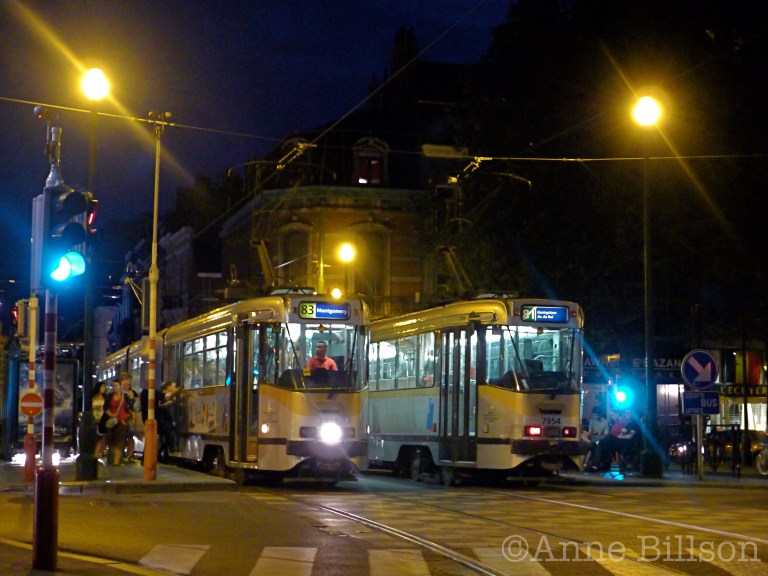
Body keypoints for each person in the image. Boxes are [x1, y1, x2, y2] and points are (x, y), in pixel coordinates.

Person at [103, 380, 130, 466]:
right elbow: (106, 408)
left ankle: (116, 461)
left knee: (120, 441)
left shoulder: (125, 396)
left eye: (116, 385)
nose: (115, 387)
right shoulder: (109, 396)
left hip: (122, 421)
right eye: (113, 385)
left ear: (120, 386)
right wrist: (112, 414)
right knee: (110, 439)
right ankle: (112, 459)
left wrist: (130, 418)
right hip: (112, 421)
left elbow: (129, 408)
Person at [157, 381, 180, 462]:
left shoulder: (167, 396)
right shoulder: (161, 395)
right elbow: (158, 407)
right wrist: (166, 404)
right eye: (172, 386)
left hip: (167, 419)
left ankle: (163, 455)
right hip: (162, 419)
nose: (174, 388)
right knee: (166, 436)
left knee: (165, 438)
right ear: (167, 387)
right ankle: (169, 450)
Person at [120, 372, 140, 463]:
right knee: (121, 436)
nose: (128, 385)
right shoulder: (118, 393)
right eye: (126, 383)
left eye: (129, 383)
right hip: (120, 417)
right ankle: (121, 454)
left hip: (130, 417)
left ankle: (130, 454)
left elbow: (136, 406)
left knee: (130, 436)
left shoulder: (133, 393)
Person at [92, 380, 107, 459]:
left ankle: (97, 455)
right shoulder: (93, 397)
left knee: (101, 438)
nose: (104, 388)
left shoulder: (105, 398)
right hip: (94, 419)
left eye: (105, 387)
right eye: (103, 386)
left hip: (103, 420)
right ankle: (95, 455)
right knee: (95, 438)